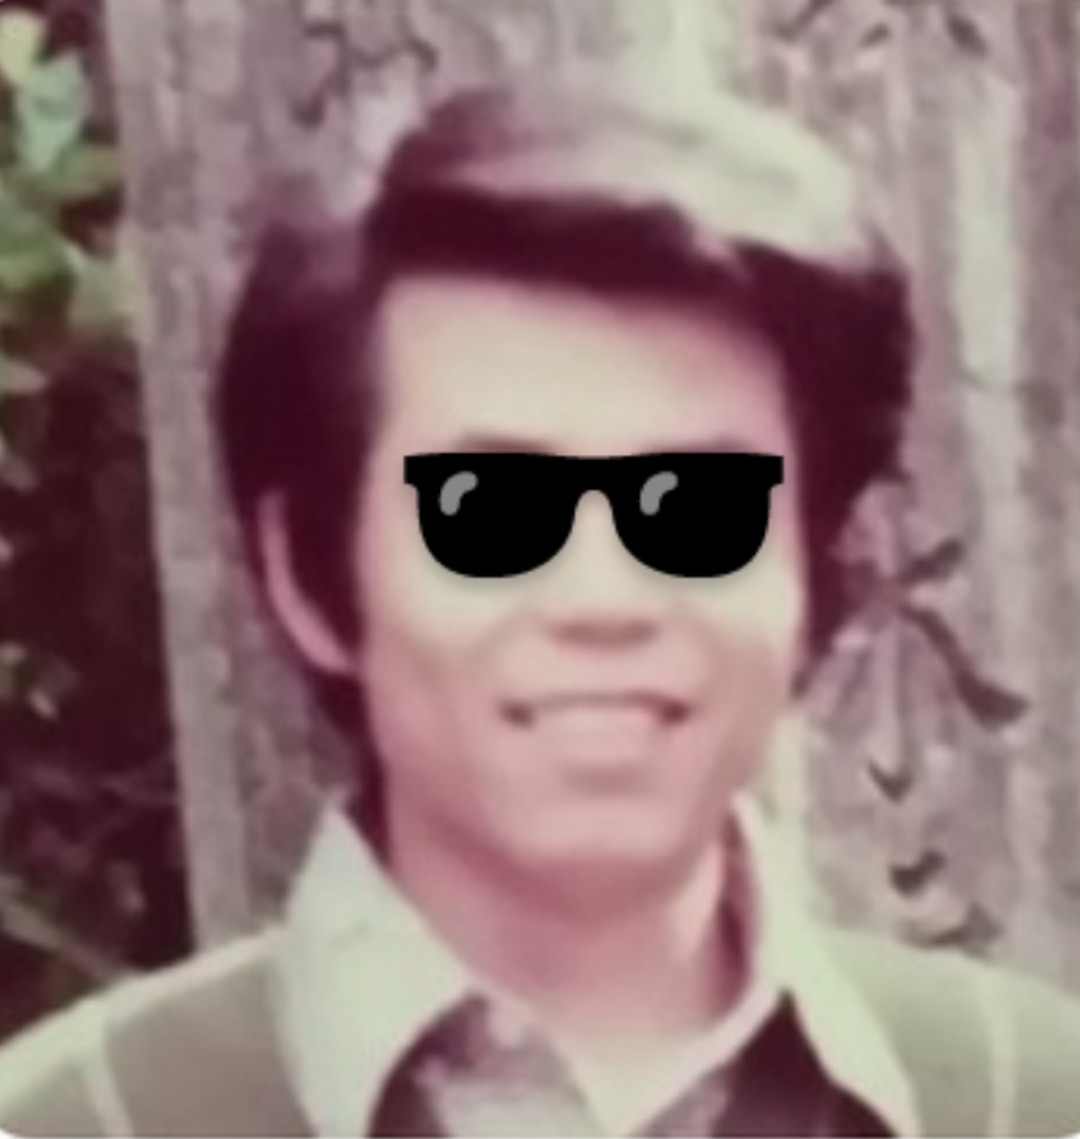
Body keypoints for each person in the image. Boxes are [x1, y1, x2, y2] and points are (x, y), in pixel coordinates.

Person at [1, 69, 1079, 1139]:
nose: (604, 599)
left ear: (819, 566)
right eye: (490, 507)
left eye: (695, 505)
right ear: (310, 575)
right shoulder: (75, 1120)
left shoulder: (1027, 1103)